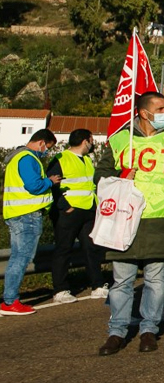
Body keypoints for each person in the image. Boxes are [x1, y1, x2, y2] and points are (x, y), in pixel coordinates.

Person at [96, 92, 164, 354]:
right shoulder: (120, 139)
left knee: (155, 279)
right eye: (161, 108)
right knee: (121, 281)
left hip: (160, 218)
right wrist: (119, 178)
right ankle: (117, 332)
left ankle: (149, 329)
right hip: (125, 220)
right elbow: (101, 174)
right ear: (144, 112)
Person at [1, 129, 61, 316]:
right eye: (48, 147)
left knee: (18, 258)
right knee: (22, 258)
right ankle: (10, 301)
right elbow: (34, 186)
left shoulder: (17, 157)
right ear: (42, 142)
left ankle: (9, 300)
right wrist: (50, 182)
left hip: (18, 213)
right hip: (26, 215)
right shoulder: (27, 159)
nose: (47, 152)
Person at [48, 129, 108, 303]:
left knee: (91, 248)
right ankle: (60, 289)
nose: (92, 143)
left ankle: (97, 285)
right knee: (63, 249)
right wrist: (64, 206)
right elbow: (52, 184)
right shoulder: (61, 159)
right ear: (84, 141)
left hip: (88, 209)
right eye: (91, 139)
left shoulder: (88, 160)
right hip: (68, 212)